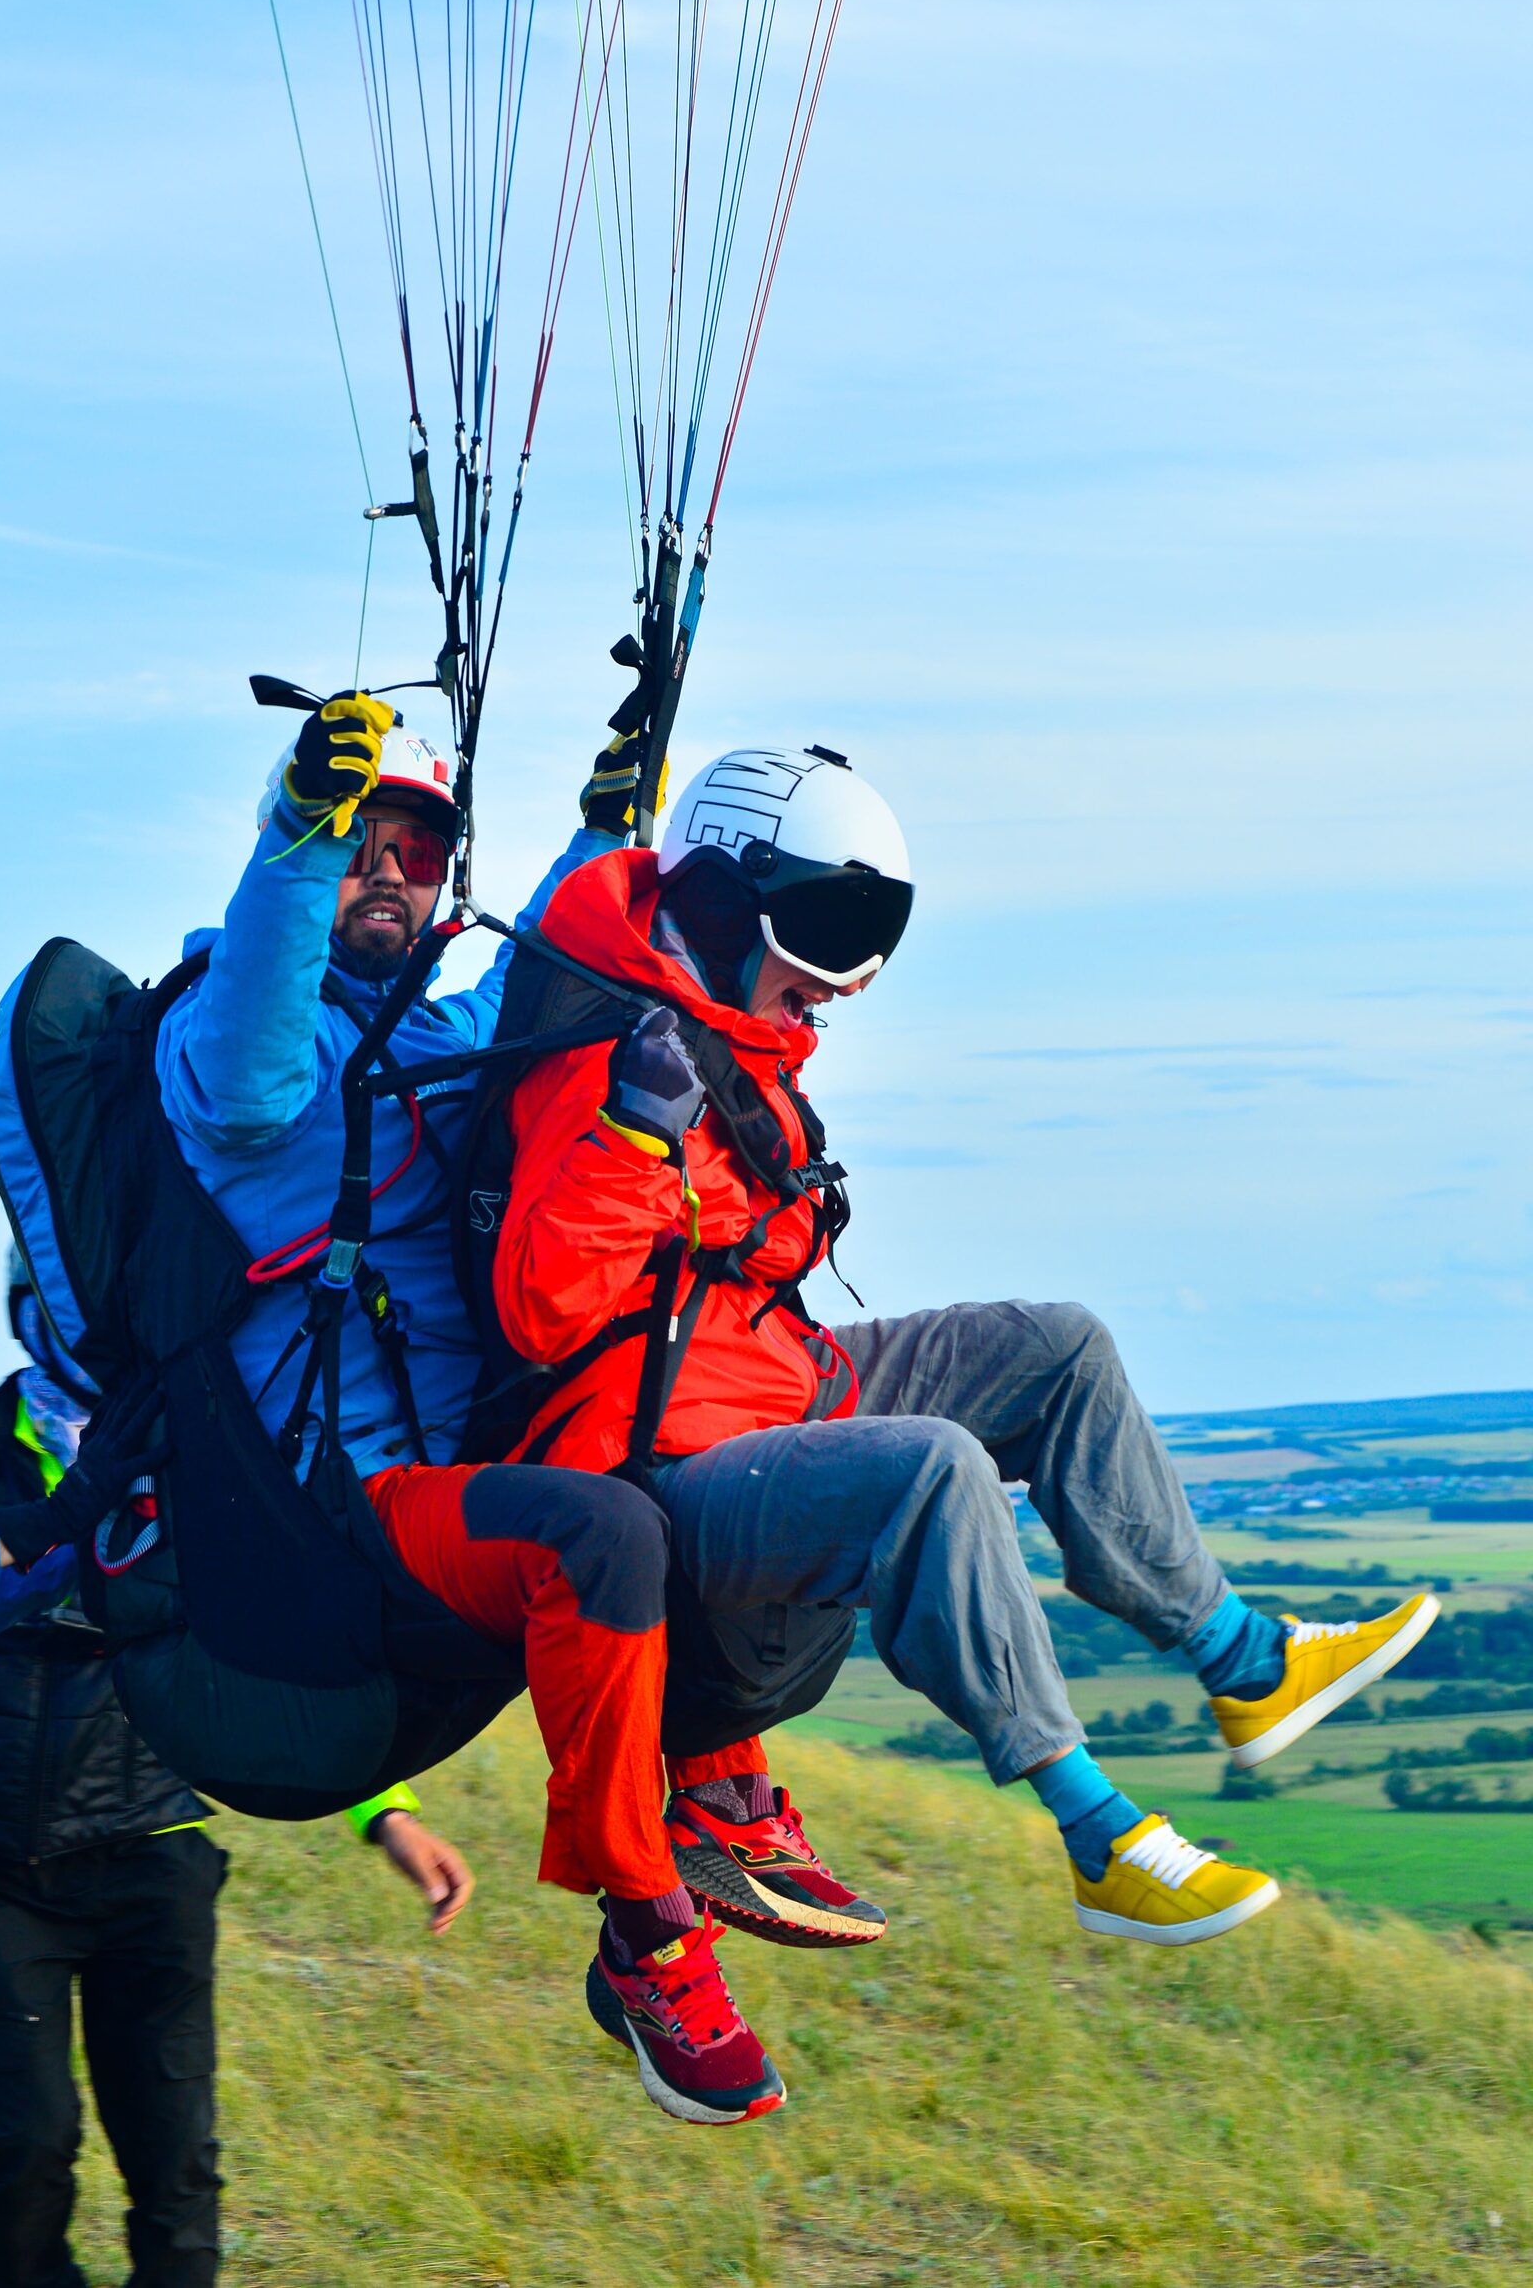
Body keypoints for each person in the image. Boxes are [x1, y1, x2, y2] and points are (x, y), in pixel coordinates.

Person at [489, 744, 1442, 1974]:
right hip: (660, 1462)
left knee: (1057, 1346)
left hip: (770, 1379)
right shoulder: (606, 1056)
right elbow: (541, 1311)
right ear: (722, 904)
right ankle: (1100, 1836)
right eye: (824, 934)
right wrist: (631, 1132)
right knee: (933, 1466)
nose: (843, 983)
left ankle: (1243, 1660)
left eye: (867, 938)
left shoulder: (719, 1027)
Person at [86, 692, 782, 2125]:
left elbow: (535, 1000)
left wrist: (609, 832)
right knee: (601, 1534)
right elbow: (257, 1053)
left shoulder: (426, 1039)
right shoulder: (237, 1067)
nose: (389, 870)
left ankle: (721, 1790)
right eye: (365, 847)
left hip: (453, 1500)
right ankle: (649, 1937)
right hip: (331, 1528)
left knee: (695, 1462)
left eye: (416, 848)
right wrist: (296, 834)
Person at [0, 1255, 475, 2288]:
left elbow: (279, 1648)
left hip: (155, 1858)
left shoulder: (198, 1467)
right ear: (26, 1311)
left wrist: (386, 1812)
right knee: (23, 2146)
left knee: (176, 2161)